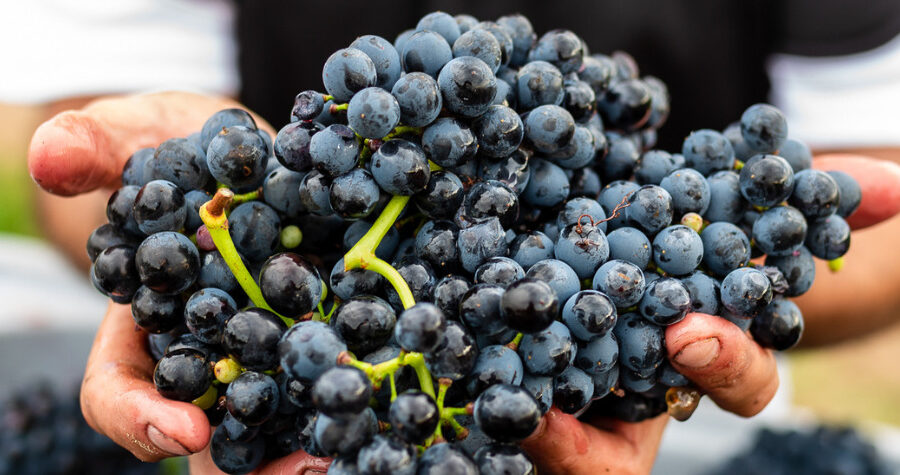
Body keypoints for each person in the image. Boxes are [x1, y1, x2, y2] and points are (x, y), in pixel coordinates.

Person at [19, 1, 900, 474]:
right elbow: (86, 180)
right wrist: (186, 211)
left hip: (621, 346)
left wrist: (678, 343)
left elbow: (885, 223)